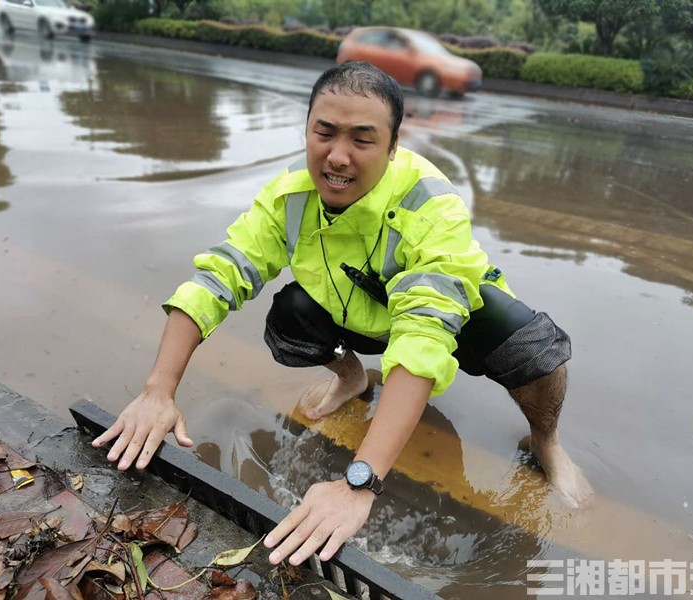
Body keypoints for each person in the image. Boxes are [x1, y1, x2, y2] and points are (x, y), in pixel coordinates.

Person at [92, 61, 592, 568]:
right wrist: (159, 388)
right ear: (307, 130)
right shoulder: (288, 197)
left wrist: (361, 479)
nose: (337, 157)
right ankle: (351, 378)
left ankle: (547, 443)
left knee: (535, 349)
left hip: (447, 318)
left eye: (362, 140)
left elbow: (423, 338)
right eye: (324, 133)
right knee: (287, 315)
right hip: (350, 311)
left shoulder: (432, 205)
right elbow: (219, 275)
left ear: (393, 147)